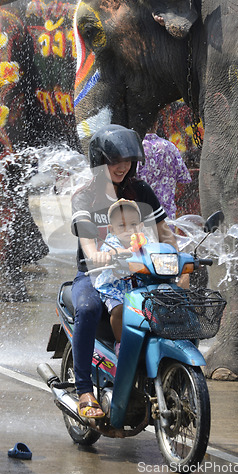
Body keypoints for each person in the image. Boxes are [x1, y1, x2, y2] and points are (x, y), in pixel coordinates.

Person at [71, 124, 177, 419]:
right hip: (95, 275)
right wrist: (99, 256)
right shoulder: (84, 198)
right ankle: (84, 391)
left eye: (128, 160)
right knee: (89, 308)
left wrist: (180, 263)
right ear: (99, 161)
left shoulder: (140, 191)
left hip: (136, 269)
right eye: (115, 161)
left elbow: (165, 233)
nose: (123, 167)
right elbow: (88, 246)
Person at [93, 199, 147, 355]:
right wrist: (127, 251)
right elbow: (110, 252)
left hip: (138, 286)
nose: (129, 230)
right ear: (112, 229)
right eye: (122, 226)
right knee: (119, 310)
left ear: (141, 226)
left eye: (133, 225)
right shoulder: (112, 242)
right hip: (114, 288)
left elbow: (155, 251)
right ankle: (120, 342)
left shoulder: (145, 242)